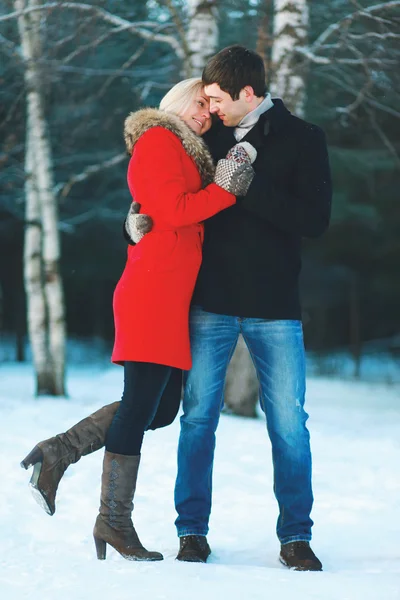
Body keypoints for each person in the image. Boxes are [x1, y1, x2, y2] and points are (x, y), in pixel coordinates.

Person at [22, 43, 332, 571]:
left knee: (288, 424)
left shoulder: (302, 138)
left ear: (247, 93)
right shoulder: (199, 134)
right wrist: (132, 224)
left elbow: (315, 220)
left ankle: (295, 537)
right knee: (193, 421)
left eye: (216, 100)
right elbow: (163, 199)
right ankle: (191, 532)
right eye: (204, 101)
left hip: (272, 302)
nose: (208, 110)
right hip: (203, 302)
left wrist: (248, 189)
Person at [20, 77, 257, 562]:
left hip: (171, 295)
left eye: (210, 111)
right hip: (153, 293)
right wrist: (225, 190)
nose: (204, 114)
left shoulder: (183, 150)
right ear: (174, 103)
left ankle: (60, 451)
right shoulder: (158, 140)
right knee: (141, 404)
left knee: (162, 408)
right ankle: (113, 520)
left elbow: (157, 209)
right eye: (198, 104)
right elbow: (173, 209)